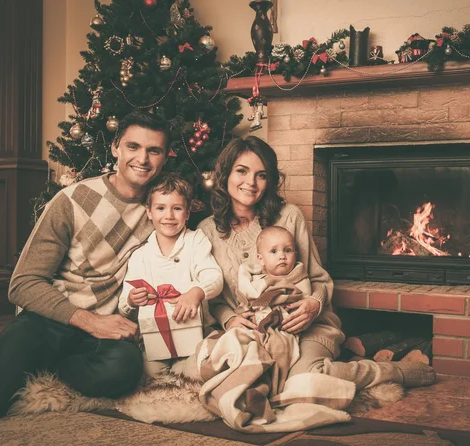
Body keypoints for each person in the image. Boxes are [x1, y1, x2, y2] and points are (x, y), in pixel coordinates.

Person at [197, 136, 436, 390]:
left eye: (261, 175)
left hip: (307, 326)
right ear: (225, 175)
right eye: (241, 171)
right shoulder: (207, 231)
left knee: (304, 382)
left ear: (269, 182)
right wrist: (229, 320)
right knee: (230, 378)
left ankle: (393, 372)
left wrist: (313, 304)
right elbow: (215, 299)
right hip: (252, 334)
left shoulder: (289, 216)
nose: (251, 183)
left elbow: (319, 279)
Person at [0, 111, 170, 420]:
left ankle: (45, 366)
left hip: (104, 333)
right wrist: (87, 320)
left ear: (165, 157)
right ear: (115, 148)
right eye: (133, 146)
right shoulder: (73, 200)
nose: (143, 159)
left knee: (123, 370)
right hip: (53, 319)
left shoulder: (163, 208)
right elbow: (23, 283)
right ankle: (3, 352)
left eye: (154, 150)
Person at [118, 172, 223, 375]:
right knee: (149, 374)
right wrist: (131, 300)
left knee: (191, 372)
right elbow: (123, 306)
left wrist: (197, 292)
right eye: (160, 208)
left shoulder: (196, 241)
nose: (169, 216)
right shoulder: (141, 255)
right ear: (149, 212)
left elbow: (214, 277)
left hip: (195, 331)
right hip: (154, 336)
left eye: (177, 208)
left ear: (188, 213)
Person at [237, 225, 311, 331]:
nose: (282, 256)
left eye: (288, 250)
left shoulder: (300, 279)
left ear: (295, 254)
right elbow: (246, 302)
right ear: (261, 259)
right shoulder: (256, 281)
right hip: (255, 325)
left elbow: (303, 307)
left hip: (287, 324)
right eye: (274, 251)